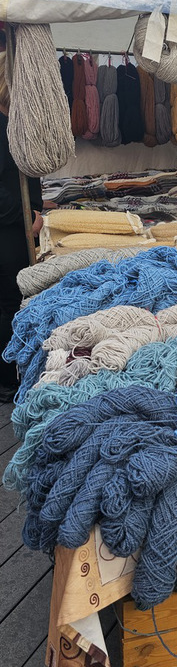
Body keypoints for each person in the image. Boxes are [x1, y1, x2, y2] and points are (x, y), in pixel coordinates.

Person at [0, 39, 43, 401]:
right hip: (8, 232)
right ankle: (7, 378)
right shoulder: (1, 127)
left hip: (15, 228)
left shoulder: (12, 124)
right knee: (8, 302)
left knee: (10, 300)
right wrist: (26, 217)